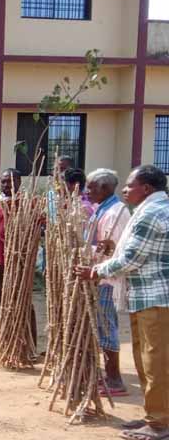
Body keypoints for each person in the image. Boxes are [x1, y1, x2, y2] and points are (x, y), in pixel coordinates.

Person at [77, 165, 169, 440]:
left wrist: (95, 271)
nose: (125, 189)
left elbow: (131, 258)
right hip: (145, 296)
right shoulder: (151, 209)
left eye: (130, 185)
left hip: (155, 296)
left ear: (147, 188)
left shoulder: (151, 213)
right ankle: (154, 415)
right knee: (146, 359)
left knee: (155, 361)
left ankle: (160, 423)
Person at [83, 168, 131, 396]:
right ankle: (108, 376)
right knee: (102, 325)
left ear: (104, 188)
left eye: (91, 187)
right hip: (98, 276)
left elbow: (116, 251)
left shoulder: (115, 213)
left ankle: (114, 380)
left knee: (106, 326)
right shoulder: (103, 208)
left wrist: (92, 252)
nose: (87, 191)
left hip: (107, 279)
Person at [0, 169, 39, 350]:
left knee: (23, 301)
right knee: (4, 302)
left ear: (19, 181)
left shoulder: (28, 203)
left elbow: (37, 228)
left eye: (10, 181)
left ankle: (29, 345)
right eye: (4, 181)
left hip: (19, 258)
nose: (7, 185)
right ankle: (8, 344)